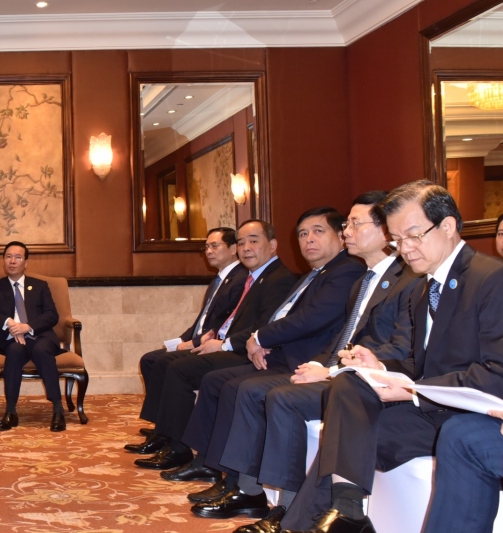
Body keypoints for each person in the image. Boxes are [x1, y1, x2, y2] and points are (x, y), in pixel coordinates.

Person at [221, 181, 503, 533]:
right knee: (350, 390)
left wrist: (414, 390)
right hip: (433, 409)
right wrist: (381, 367)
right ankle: (346, 517)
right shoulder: (423, 287)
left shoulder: (494, 278)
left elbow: (500, 375)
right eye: (397, 239)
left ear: (448, 226)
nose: (405, 248)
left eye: (414, 236)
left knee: (348, 430)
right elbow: (420, 361)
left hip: (479, 416)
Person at [211, 194, 417, 533]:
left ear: (385, 231)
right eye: (346, 224)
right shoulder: (364, 279)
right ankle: (251, 492)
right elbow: (343, 336)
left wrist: (331, 371)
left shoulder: (404, 279)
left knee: (282, 398)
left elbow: (394, 347)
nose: (346, 231)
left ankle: (289, 511)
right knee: (251, 388)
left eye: (354, 224)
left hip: (367, 381)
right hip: (337, 369)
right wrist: (320, 364)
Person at [174, 207, 366, 513]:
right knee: (220, 382)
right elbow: (285, 316)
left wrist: (261, 339)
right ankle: (224, 474)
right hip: (278, 353)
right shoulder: (313, 275)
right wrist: (261, 342)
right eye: (303, 234)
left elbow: (312, 319)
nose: (309, 240)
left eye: (318, 232)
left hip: (304, 359)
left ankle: (246, 489)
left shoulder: (345, 271)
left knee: (241, 388)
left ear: (340, 236)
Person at [134, 219, 296, 469]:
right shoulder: (255, 277)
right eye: (241, 243)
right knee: (165, 361)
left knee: (178, 368)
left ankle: (179, 447)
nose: (246, 248)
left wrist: (223, 345)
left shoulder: (278, 279)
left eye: (253, 241)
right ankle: (168, 436)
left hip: (246, 352)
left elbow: (263, 327)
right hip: (231, 345)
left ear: (272, 245)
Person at [130, 227, 245, 454]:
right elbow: (201, 321)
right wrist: (182, 340)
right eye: (206, 247)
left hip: (216, 346)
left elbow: (221, 325)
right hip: (198, 339)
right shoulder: (219, 280)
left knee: (165, 363)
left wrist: (193, 343)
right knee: (150, 360)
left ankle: (167, 432)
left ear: (233, 248)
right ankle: (162, 426)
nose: (208, 251)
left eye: (215, 246)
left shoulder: (240, 280)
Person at [0, 240, 64, 432]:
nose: (12, 261)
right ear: (3, 261)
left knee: (41, 350)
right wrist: (9, 322)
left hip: (40, 336)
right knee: (14, 352)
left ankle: (58, 409)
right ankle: (11, 411)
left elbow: (52, 315)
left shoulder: (40, 286)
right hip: (12, 340)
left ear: (26, 263)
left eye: (17, 257)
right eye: (8, 257)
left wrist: (28, 327)